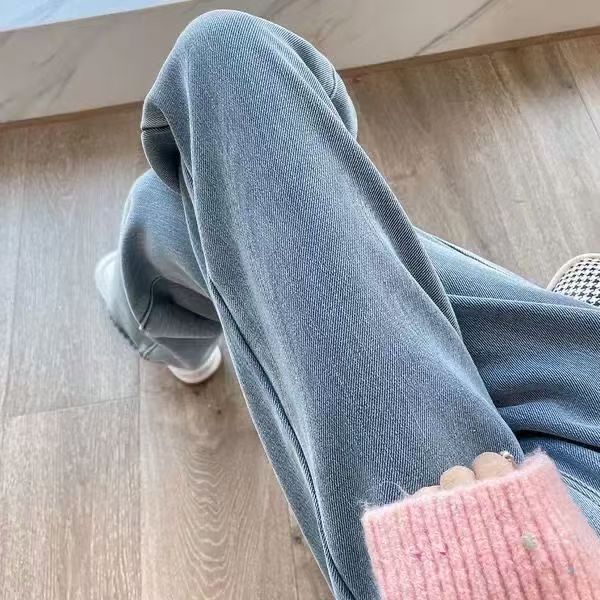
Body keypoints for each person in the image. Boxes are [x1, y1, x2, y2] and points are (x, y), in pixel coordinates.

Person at [95, 10, 600, 599]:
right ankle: (162, 313)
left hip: (510, 569)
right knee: (225, 183)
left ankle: (158, 320)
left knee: (226, 64)